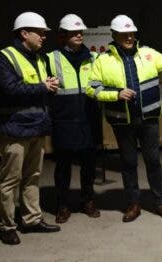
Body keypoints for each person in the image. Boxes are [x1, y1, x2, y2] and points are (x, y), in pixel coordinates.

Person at [86, 14, 162, 222]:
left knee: (153, 161)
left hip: (149, 119)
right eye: (125, 34)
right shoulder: (103, 61)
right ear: (115, 35)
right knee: (129, 162)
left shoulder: (148, 54)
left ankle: (159, 202)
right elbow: (92, 88)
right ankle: (134, 204)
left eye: (132, 33)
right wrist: (116, 94)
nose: (129, 37)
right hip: (121, 121)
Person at [0, 12, 61, 245]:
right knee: (10, 180)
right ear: (24, 33)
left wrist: (49, 89)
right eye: (39, 32)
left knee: (33, 177)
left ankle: (32, 220)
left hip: (36, 127)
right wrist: (43, 87)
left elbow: (42, 90)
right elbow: (11, 90)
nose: (43, 37)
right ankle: (7, 226)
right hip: (14, 129)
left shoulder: (40, 58)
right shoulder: (4, 57)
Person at [47, 14, 101, 223]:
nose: (79, 35)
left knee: (89, 165)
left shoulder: (94, 58)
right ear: (63, 35)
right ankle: (62, 205)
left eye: (81, 32)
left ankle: (87, 200)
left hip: (89, 120)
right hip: (63, 121)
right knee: (63, 167)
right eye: (74, 32)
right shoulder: (51, 58)